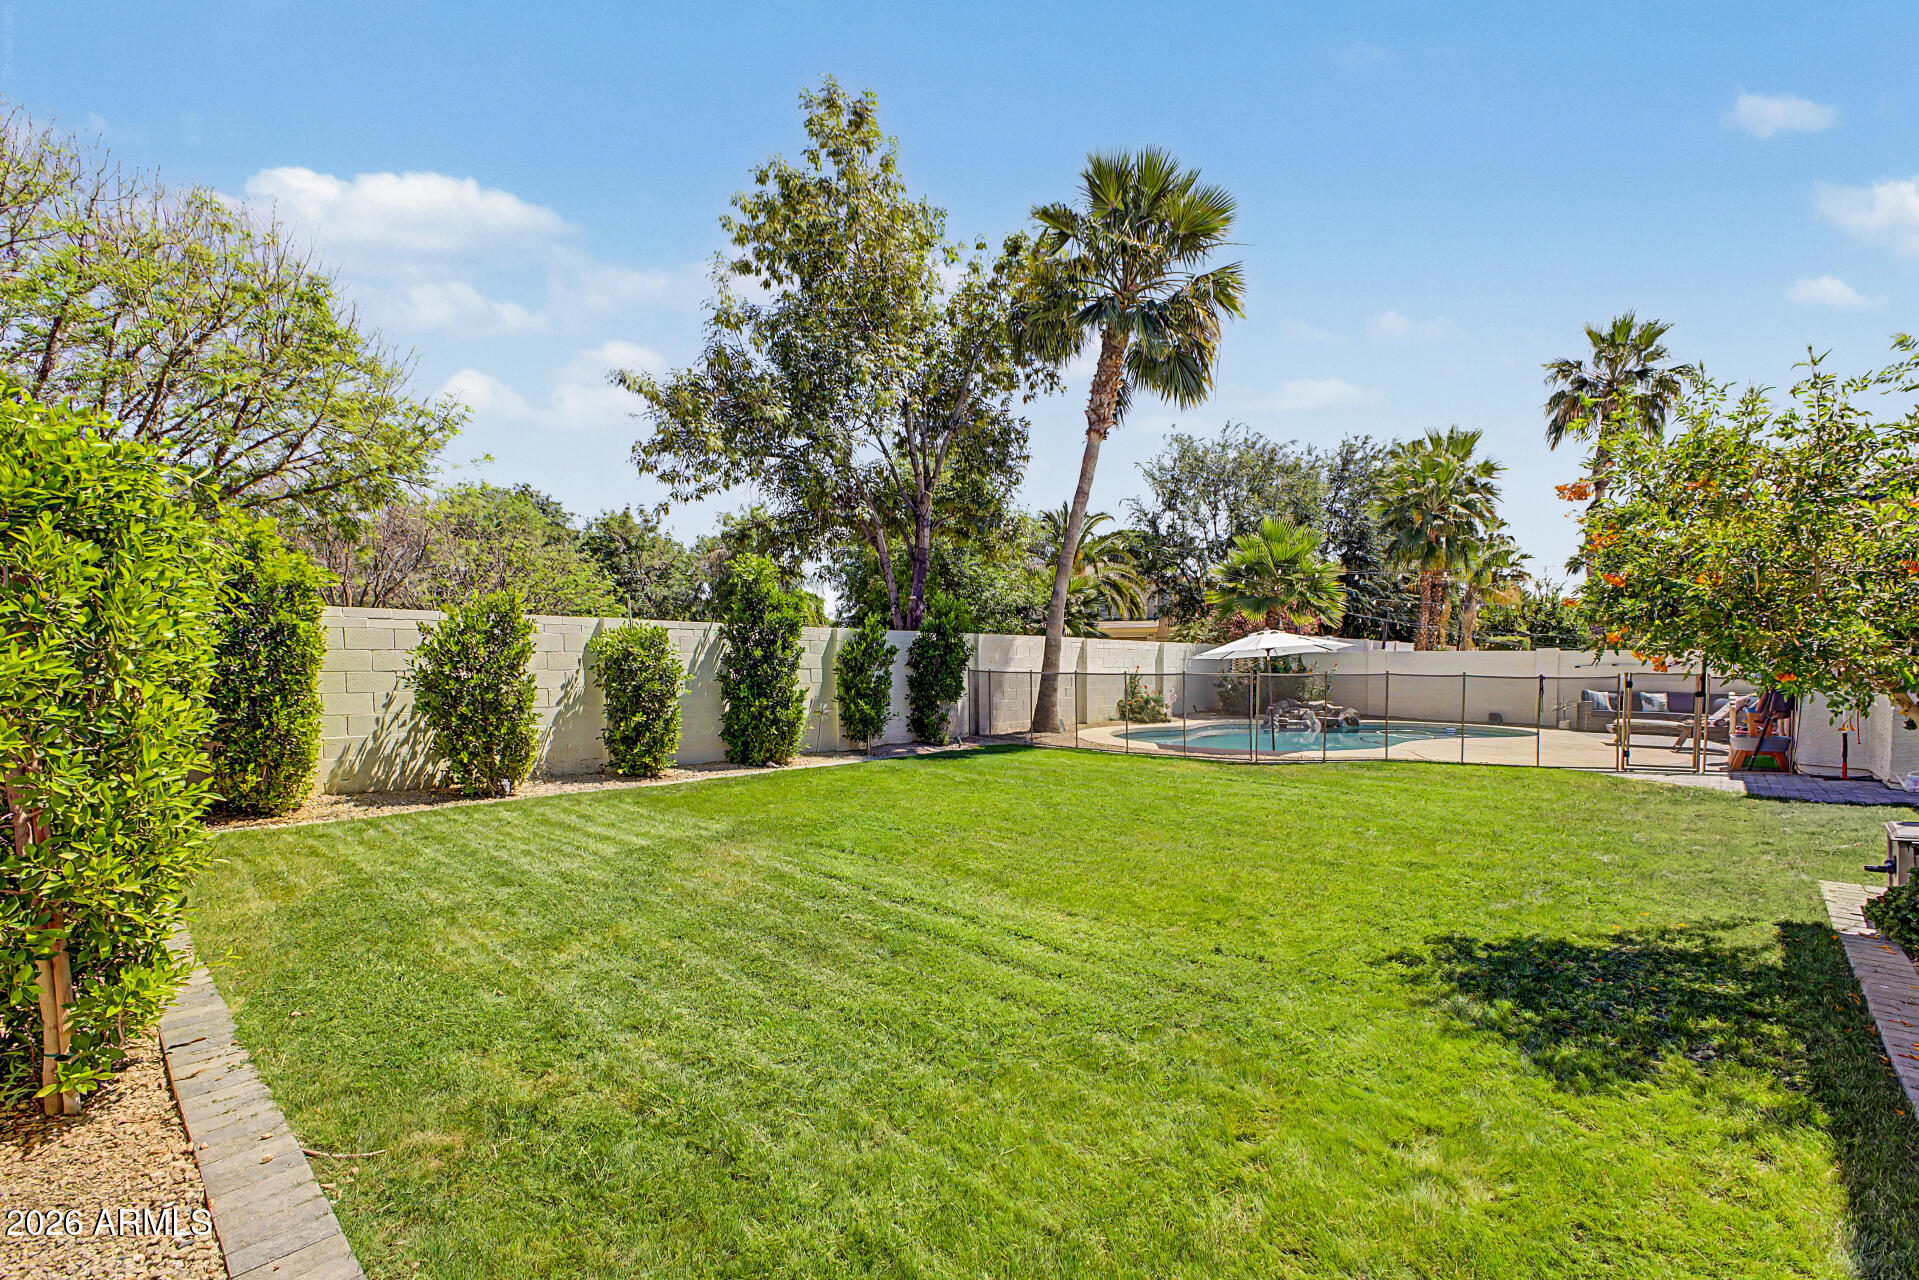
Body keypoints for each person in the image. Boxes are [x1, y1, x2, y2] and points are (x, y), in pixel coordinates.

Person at [1673, 692, 1749, 752]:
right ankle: (1678, 745)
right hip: (1709, 720)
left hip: (1711, 722)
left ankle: (1678, 745)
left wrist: (1709, 721)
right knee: (1688, 724)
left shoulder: (1733, 709)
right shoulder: (1733, 706)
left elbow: (1720, 720)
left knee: (1687, 727)